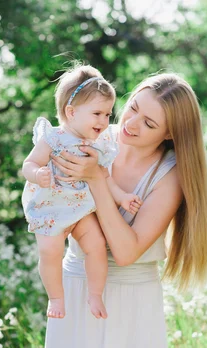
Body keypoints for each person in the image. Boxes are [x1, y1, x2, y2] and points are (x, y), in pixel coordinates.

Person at [43, 73, 207, 348]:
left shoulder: (171, 173)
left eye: (149, 123)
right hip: (76, 285)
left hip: (131, 298)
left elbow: (126, 252)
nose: (131, 123)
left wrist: (97, 179)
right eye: (133, 107)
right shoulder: (93, 137)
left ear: (169, 134)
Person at [21, 65, 142, 320]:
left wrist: (122, 197)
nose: (103, 121)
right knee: (50, 251)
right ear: (71, 112)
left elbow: (104, 178)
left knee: (97, 246)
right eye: (97, 113)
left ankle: (95, 294)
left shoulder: (99, 146)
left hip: (81, 209)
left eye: (108, 114)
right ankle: (56, 297)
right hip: (51, 208)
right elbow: (29, 164)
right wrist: (37, 174)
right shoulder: (53, 139)